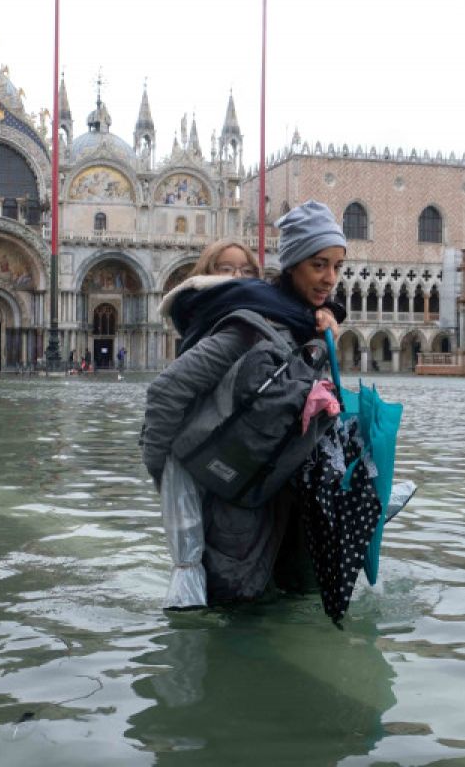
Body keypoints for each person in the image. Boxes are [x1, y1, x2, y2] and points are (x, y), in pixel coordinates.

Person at [142, 203, 347, 606]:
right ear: (292, 265)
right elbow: (166, 393)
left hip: (283, 508)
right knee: (238, 618)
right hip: (235, 516)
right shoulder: (251, 327)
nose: (330, 278)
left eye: (337, 267)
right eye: (319, 264)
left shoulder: (304, 323)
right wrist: (167, 477)